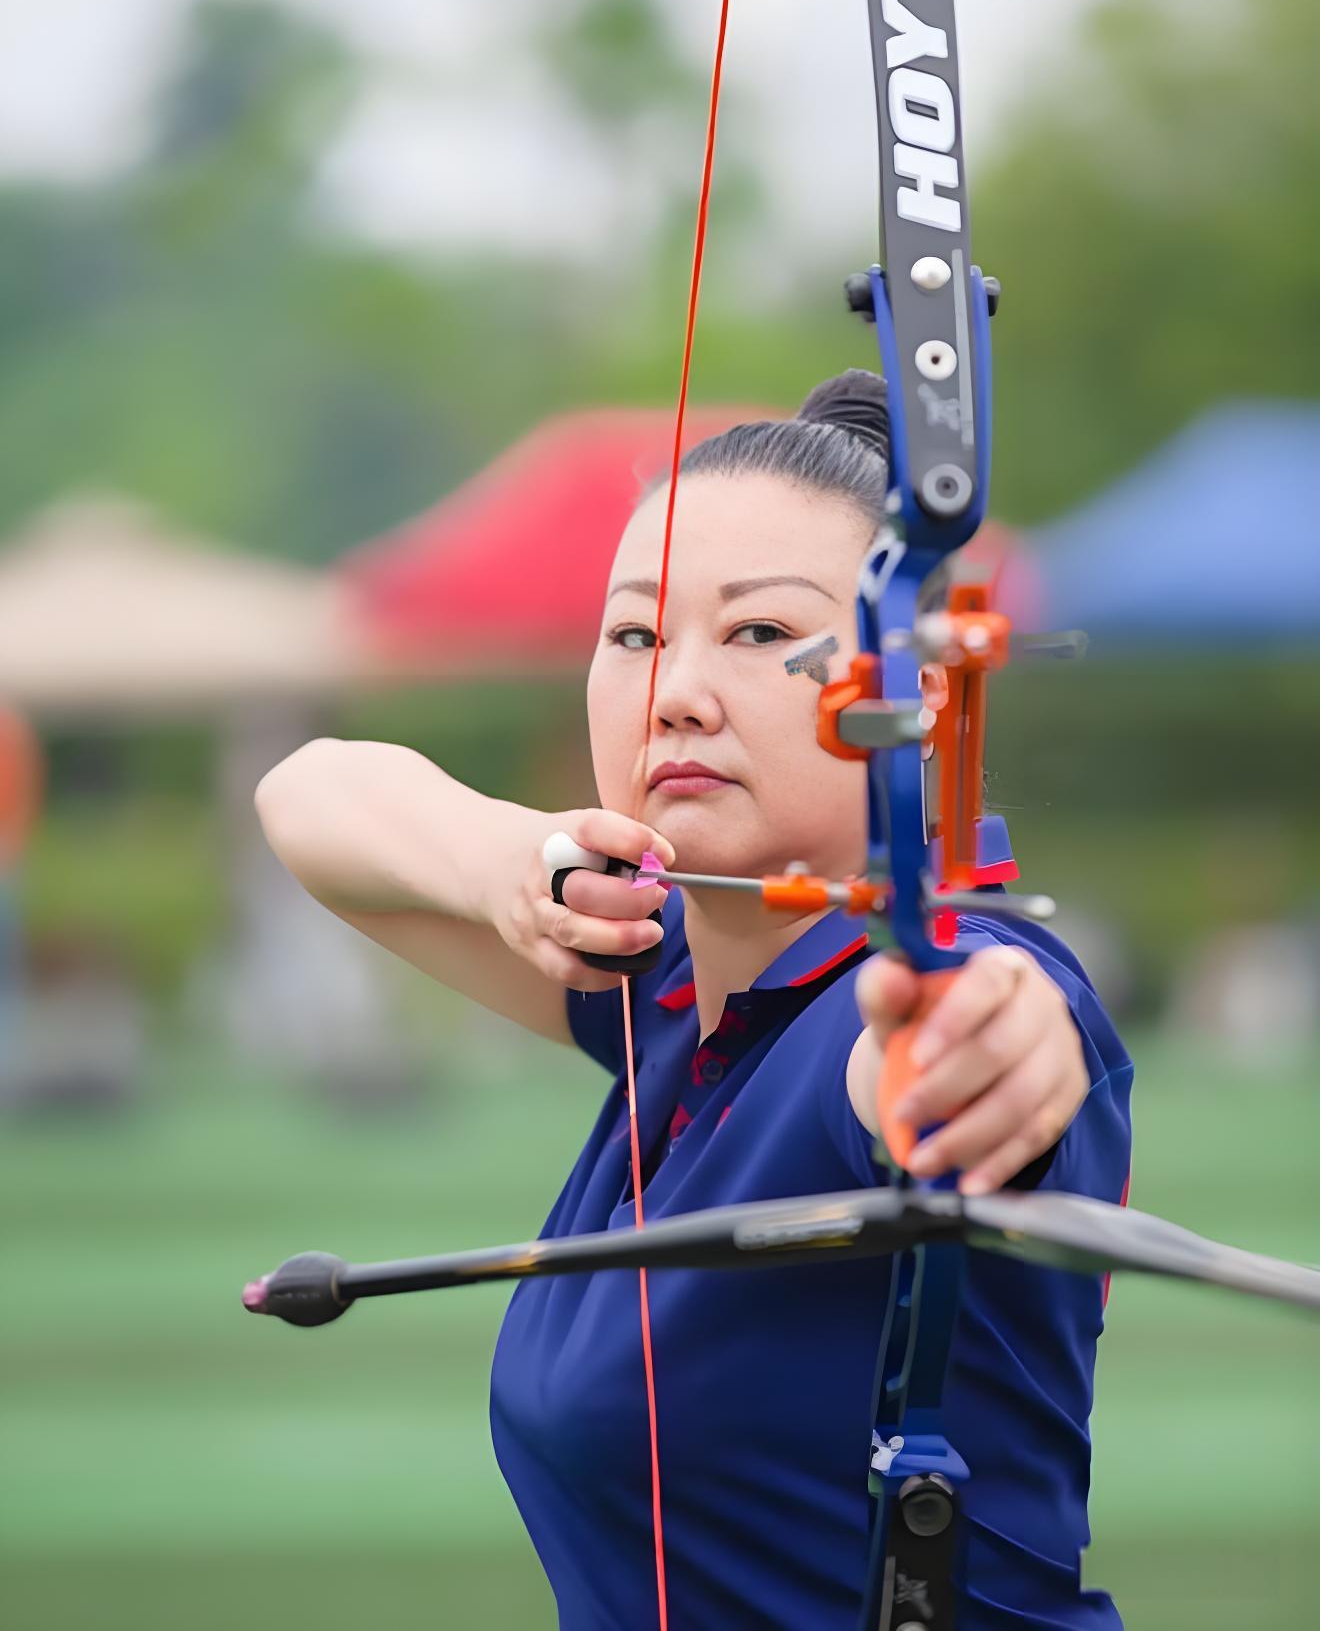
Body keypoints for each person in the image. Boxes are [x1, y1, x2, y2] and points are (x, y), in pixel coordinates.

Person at [256, 371, 1133, 1629]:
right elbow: (309, 793)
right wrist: (508, 865)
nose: (674, 691)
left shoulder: (924, 985)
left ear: (921, 690)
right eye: (635, 635)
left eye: (762, 634)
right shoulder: (662, 975)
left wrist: (985, 1046)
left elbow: (966, 1030)